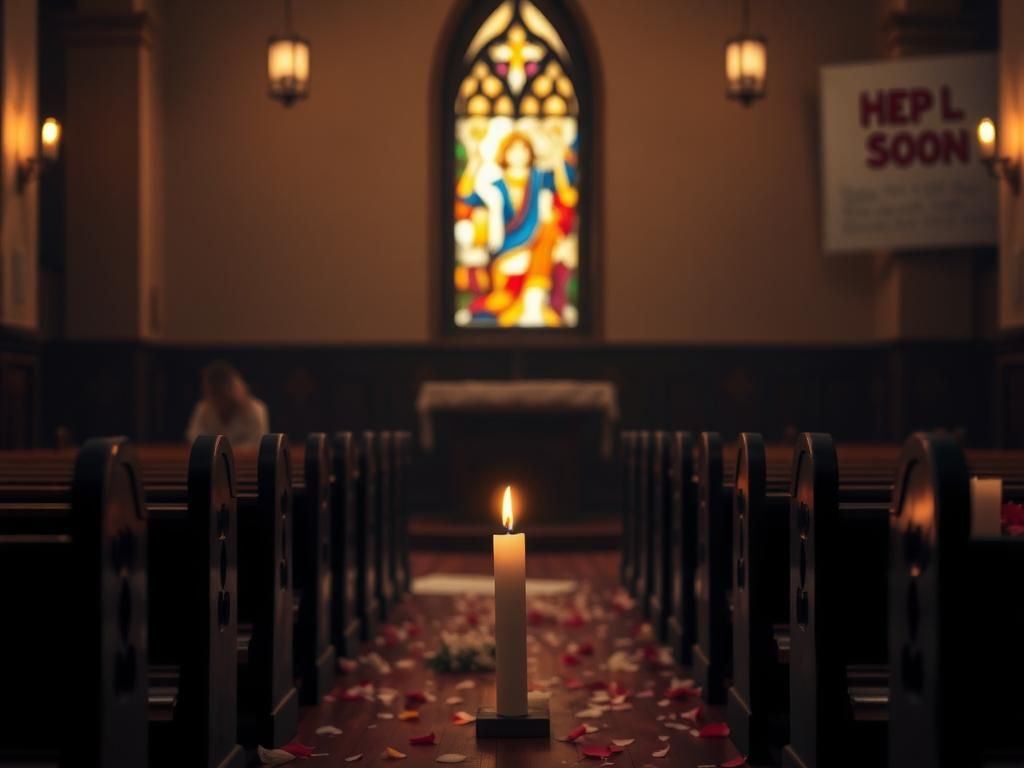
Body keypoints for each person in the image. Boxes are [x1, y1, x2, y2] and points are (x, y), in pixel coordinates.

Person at [185, 361, 269, 446]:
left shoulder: (256, 410)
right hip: (210, 459)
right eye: (215, 394)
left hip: (245, 459)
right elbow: (193, 439)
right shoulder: (202, 409)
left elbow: (256, 445)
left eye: (223, 395)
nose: (221, 401)